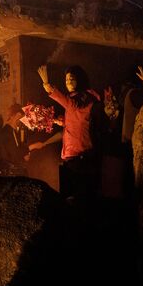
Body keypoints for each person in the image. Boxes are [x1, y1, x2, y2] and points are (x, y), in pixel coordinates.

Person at [37, 65, 101, 200]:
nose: (68, 82)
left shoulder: (86, 96)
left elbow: (74, 107)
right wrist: (58, 121)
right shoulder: (75, 98)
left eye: (71, 79)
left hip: (81, 155)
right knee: (69, 197)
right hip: (70, 155)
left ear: (80, 80)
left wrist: (50, 88)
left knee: (81, 197)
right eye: (66, 80)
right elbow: (76, 120)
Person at [0, 103, 31, 176]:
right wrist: (31, 148)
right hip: (11, 175)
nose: (24, 122)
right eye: (23, 118)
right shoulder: (6, 133)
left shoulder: (14, 132)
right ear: (18, 115)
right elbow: (14, 156)